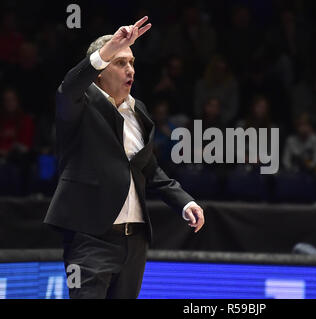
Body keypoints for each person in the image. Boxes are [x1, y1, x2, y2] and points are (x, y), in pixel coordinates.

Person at [43, 17, 205, 299]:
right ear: (99, 72)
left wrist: (184, 201)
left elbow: (148, 169)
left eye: (131, 62)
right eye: (120, 62)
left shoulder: (137, 110)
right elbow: (68, 88)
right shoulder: (79, 105)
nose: (130, 69)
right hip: (90, 240)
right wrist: (110, 47)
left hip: (135, 244)